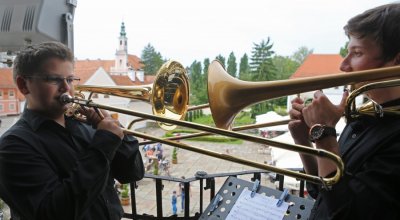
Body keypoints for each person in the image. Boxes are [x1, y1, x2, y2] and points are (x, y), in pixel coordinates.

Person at [0, 42, 145, 220]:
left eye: (69, 79)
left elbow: (132, 173)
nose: (66, 88)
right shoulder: (12, 146)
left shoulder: (86, 125)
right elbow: (54, 212)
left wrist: (117, 132)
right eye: (54, 79)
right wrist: (104, 143)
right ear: (24, 85)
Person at [288, 3, 400, 219]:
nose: (343, 66)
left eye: (356, 53)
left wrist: (325, 135)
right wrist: (304, 140)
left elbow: (348, 215)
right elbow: (322, 191)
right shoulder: (366, 116)